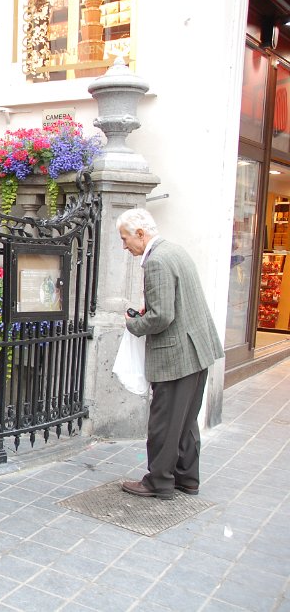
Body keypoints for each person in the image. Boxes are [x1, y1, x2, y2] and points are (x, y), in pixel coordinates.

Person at [117, 208, 224, 500]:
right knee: (185, 420)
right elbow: (175, 302)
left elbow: (162, 316)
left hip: (176, 355)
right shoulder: (175, 250)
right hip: (197, 350)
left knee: (165, 421)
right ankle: (187, 478)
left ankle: (159, 482)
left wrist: (134, 324)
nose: (125, 246)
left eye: (125, 239)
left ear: (140, 234)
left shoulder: (156, 261)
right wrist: (150, 310)